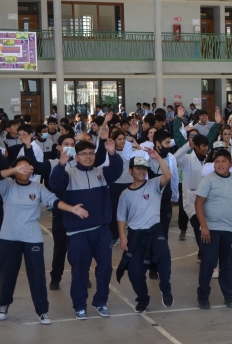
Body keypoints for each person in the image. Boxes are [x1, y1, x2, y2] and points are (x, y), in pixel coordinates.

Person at [0, 157, 88, 324]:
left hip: (32, 237)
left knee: (37, 275)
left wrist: (71, 209)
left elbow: (53, 200)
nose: (25, 169)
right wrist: (16, 170)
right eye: (20, 167)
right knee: (7, 273)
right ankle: (4, 303)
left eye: (28, 166)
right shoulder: (8, 186)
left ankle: (42, 311)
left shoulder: (38, 187)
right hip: (9, 237)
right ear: (14, 169)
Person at [49, 136, 123, 319]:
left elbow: (117, 170)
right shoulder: (68, 174)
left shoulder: (101, 172)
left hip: (101, 230)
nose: (88, 157)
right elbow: (55, 184)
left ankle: (101, 301)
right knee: (80, 271)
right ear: (77, 156)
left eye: (91, 153)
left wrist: (113, 153)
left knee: (105, 269)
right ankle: (80, 306)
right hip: (78, 233)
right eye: (84, 154)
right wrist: (61, 164)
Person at [195, 149, 232, 309]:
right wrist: (204, 227)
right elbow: (198, 203)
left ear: (230, 164)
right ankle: (203, 295)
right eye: (217, 161)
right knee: (208, 263)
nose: (220, 164)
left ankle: (229, 295)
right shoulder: (207, 180)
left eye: (223, 161)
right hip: (212, 230)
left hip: (231, 231)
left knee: (228, 265)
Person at [116, 152, 174, 313]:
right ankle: (142, 299)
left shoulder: (154, 184)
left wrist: (157, 158)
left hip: (155, 231)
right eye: (138, 168)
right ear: (131, 170)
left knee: (163, 256)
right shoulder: (125, 195)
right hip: (136, 236)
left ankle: (165, 288)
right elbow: (121, 217)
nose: (142, 171)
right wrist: (122, 236)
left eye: (144, 169)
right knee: (135, 272)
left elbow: (168, 175)